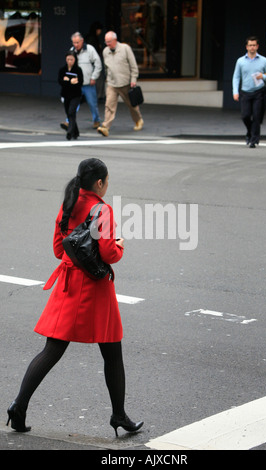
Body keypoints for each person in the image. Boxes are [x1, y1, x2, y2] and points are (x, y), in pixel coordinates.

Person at [6, 158, 144, 437]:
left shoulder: (68, 204)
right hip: (95, 288)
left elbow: (59, 250)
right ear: (100, 183)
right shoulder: (102, 209)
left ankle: (18, 406)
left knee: (52, 349)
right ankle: (119, 415)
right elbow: (107, 254)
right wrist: (119, 247)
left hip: (69, 284)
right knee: (112, 351)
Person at [98, 31, 144, 137]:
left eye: (109, 41)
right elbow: (106, 68)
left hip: (126, 83)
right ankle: (105, 127)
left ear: (115, 40)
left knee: (132, 105)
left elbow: (133, 66)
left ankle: (138, 120)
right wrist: (108, 79)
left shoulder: (125, 48)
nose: (107, 44)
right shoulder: (105, 51)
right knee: (109, 105)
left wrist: (133, 79)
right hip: (112, 84)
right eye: (106, 42)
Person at [232, 36, 266, 148]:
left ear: (257, 46)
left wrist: (263, 76)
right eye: (250, 45)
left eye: (254, 45)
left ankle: (254, 140)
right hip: (245, 92)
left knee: (256, 116)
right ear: (246, 47)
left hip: (259, 92)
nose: (252, 47)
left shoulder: (264, 60)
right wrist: (235, 92)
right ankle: (250, 132)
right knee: (245, 116)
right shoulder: (240, 61)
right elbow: (236, 77)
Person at [70, 32, 102, 129]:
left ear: (82, 41)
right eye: (74, 43)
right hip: (76, 84)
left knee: (92, 104)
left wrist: (94, 77)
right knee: (73, 104)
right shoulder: (72, 51)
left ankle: (96, 120)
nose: (76, 45)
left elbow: (98, 64)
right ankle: (69, 121)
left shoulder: (90, 49)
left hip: (88, 83)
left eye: (77, 42)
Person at [58, 51, 83, 140]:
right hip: (65, 95)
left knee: (72, 112)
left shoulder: (78, 70)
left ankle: (70, 131)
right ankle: (75, 132)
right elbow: (60, 81)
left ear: (75, 60)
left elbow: (79, 83)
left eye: (71, 59)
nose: (69, 61)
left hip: (76, 95)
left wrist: (67, 81)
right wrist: (70, 82)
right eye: (68, 59)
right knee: (68, 113)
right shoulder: (62, 70)